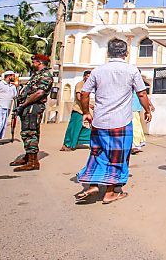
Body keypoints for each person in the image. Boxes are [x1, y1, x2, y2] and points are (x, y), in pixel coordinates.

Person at [74, 39, 152, 204]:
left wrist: (86, 112)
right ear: (126, 53)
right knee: (118, 156)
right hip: (121, 122)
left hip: (99, 121)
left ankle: (93, 185)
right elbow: (142, 94)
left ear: (108, 53)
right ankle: (110, 192)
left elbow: (84, 93)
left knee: (97, 154)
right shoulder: (131, 71)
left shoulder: (97, 71)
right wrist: (147, 110)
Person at [9, 55, 54, 172]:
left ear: (39, 62)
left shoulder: (46, 75)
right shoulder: (37, 75)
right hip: (28, 107)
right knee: (28, 132)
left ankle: (33, 162)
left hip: (33, 107)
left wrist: (24, 105)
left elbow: (39, 93)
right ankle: (28, 156)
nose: (32, 64)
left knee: (30, 133)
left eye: (34, 62)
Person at [61, 70, 92, 151]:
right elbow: (79, 97)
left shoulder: (88, 86)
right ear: (84, 77)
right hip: (78, 110)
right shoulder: (80, 84)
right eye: (87, 76)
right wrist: (88, 104)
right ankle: (68, 144)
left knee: (82, 128)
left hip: (84, 110)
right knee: (73, 128)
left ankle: (84, 140)